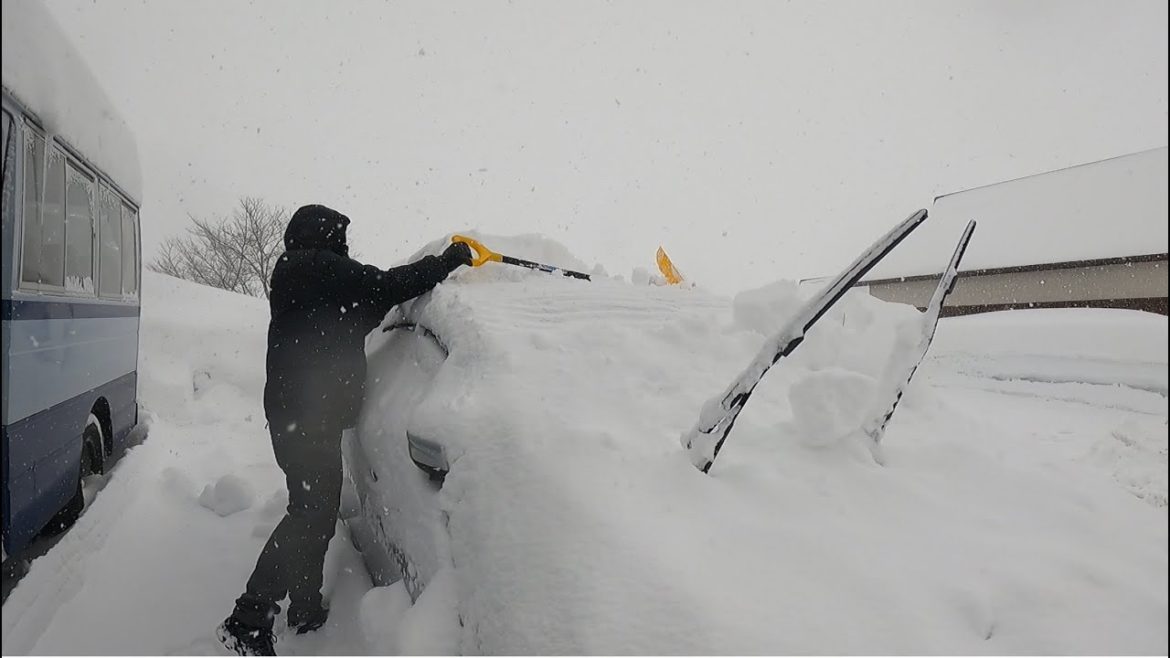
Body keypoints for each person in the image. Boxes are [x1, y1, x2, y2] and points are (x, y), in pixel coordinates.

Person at [217, 204, 472, 656]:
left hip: (299, 415)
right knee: (311, 513)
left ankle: (304, 605)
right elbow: (388, 287)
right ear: (324, 238)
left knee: (313, 508)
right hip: (306, 418)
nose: (346, 248)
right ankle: (249, 616)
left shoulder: (301, 275)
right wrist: (449, 260)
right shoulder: (319, 269)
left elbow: (361, 308)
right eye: (341, 239)